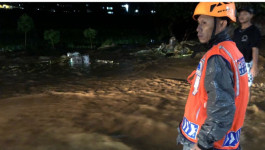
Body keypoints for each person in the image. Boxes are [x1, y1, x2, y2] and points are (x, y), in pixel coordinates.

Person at [177, 2, 249, 150]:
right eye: (198, 23)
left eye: (204, 23)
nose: (198, 29)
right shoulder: (232, 50)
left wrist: (201, 144)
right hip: (226, 141)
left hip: (205, 143)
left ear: (221, 24)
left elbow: (222, 109)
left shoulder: (217, 58)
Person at [233, 7, 261, 88]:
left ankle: (245, 101)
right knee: (235, 86)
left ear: (251, 16)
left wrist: (254, 66)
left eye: (245, 14)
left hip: (247, 64)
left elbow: (255, 48)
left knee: (245, 88)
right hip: (235, 63)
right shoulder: (236, 31)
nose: (241, 16)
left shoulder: (254, 31)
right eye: (240, 14)